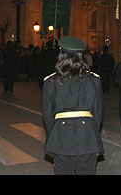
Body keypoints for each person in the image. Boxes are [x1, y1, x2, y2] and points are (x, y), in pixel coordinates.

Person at [42, 36, 104, 175]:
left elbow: (48, 116)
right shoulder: (93, 80)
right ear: (82, 56)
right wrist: (91, 130)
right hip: (87, 133)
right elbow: (98, 114)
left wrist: (56, 132)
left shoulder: (50, 81)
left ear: (61, 55)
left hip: (61, 134)